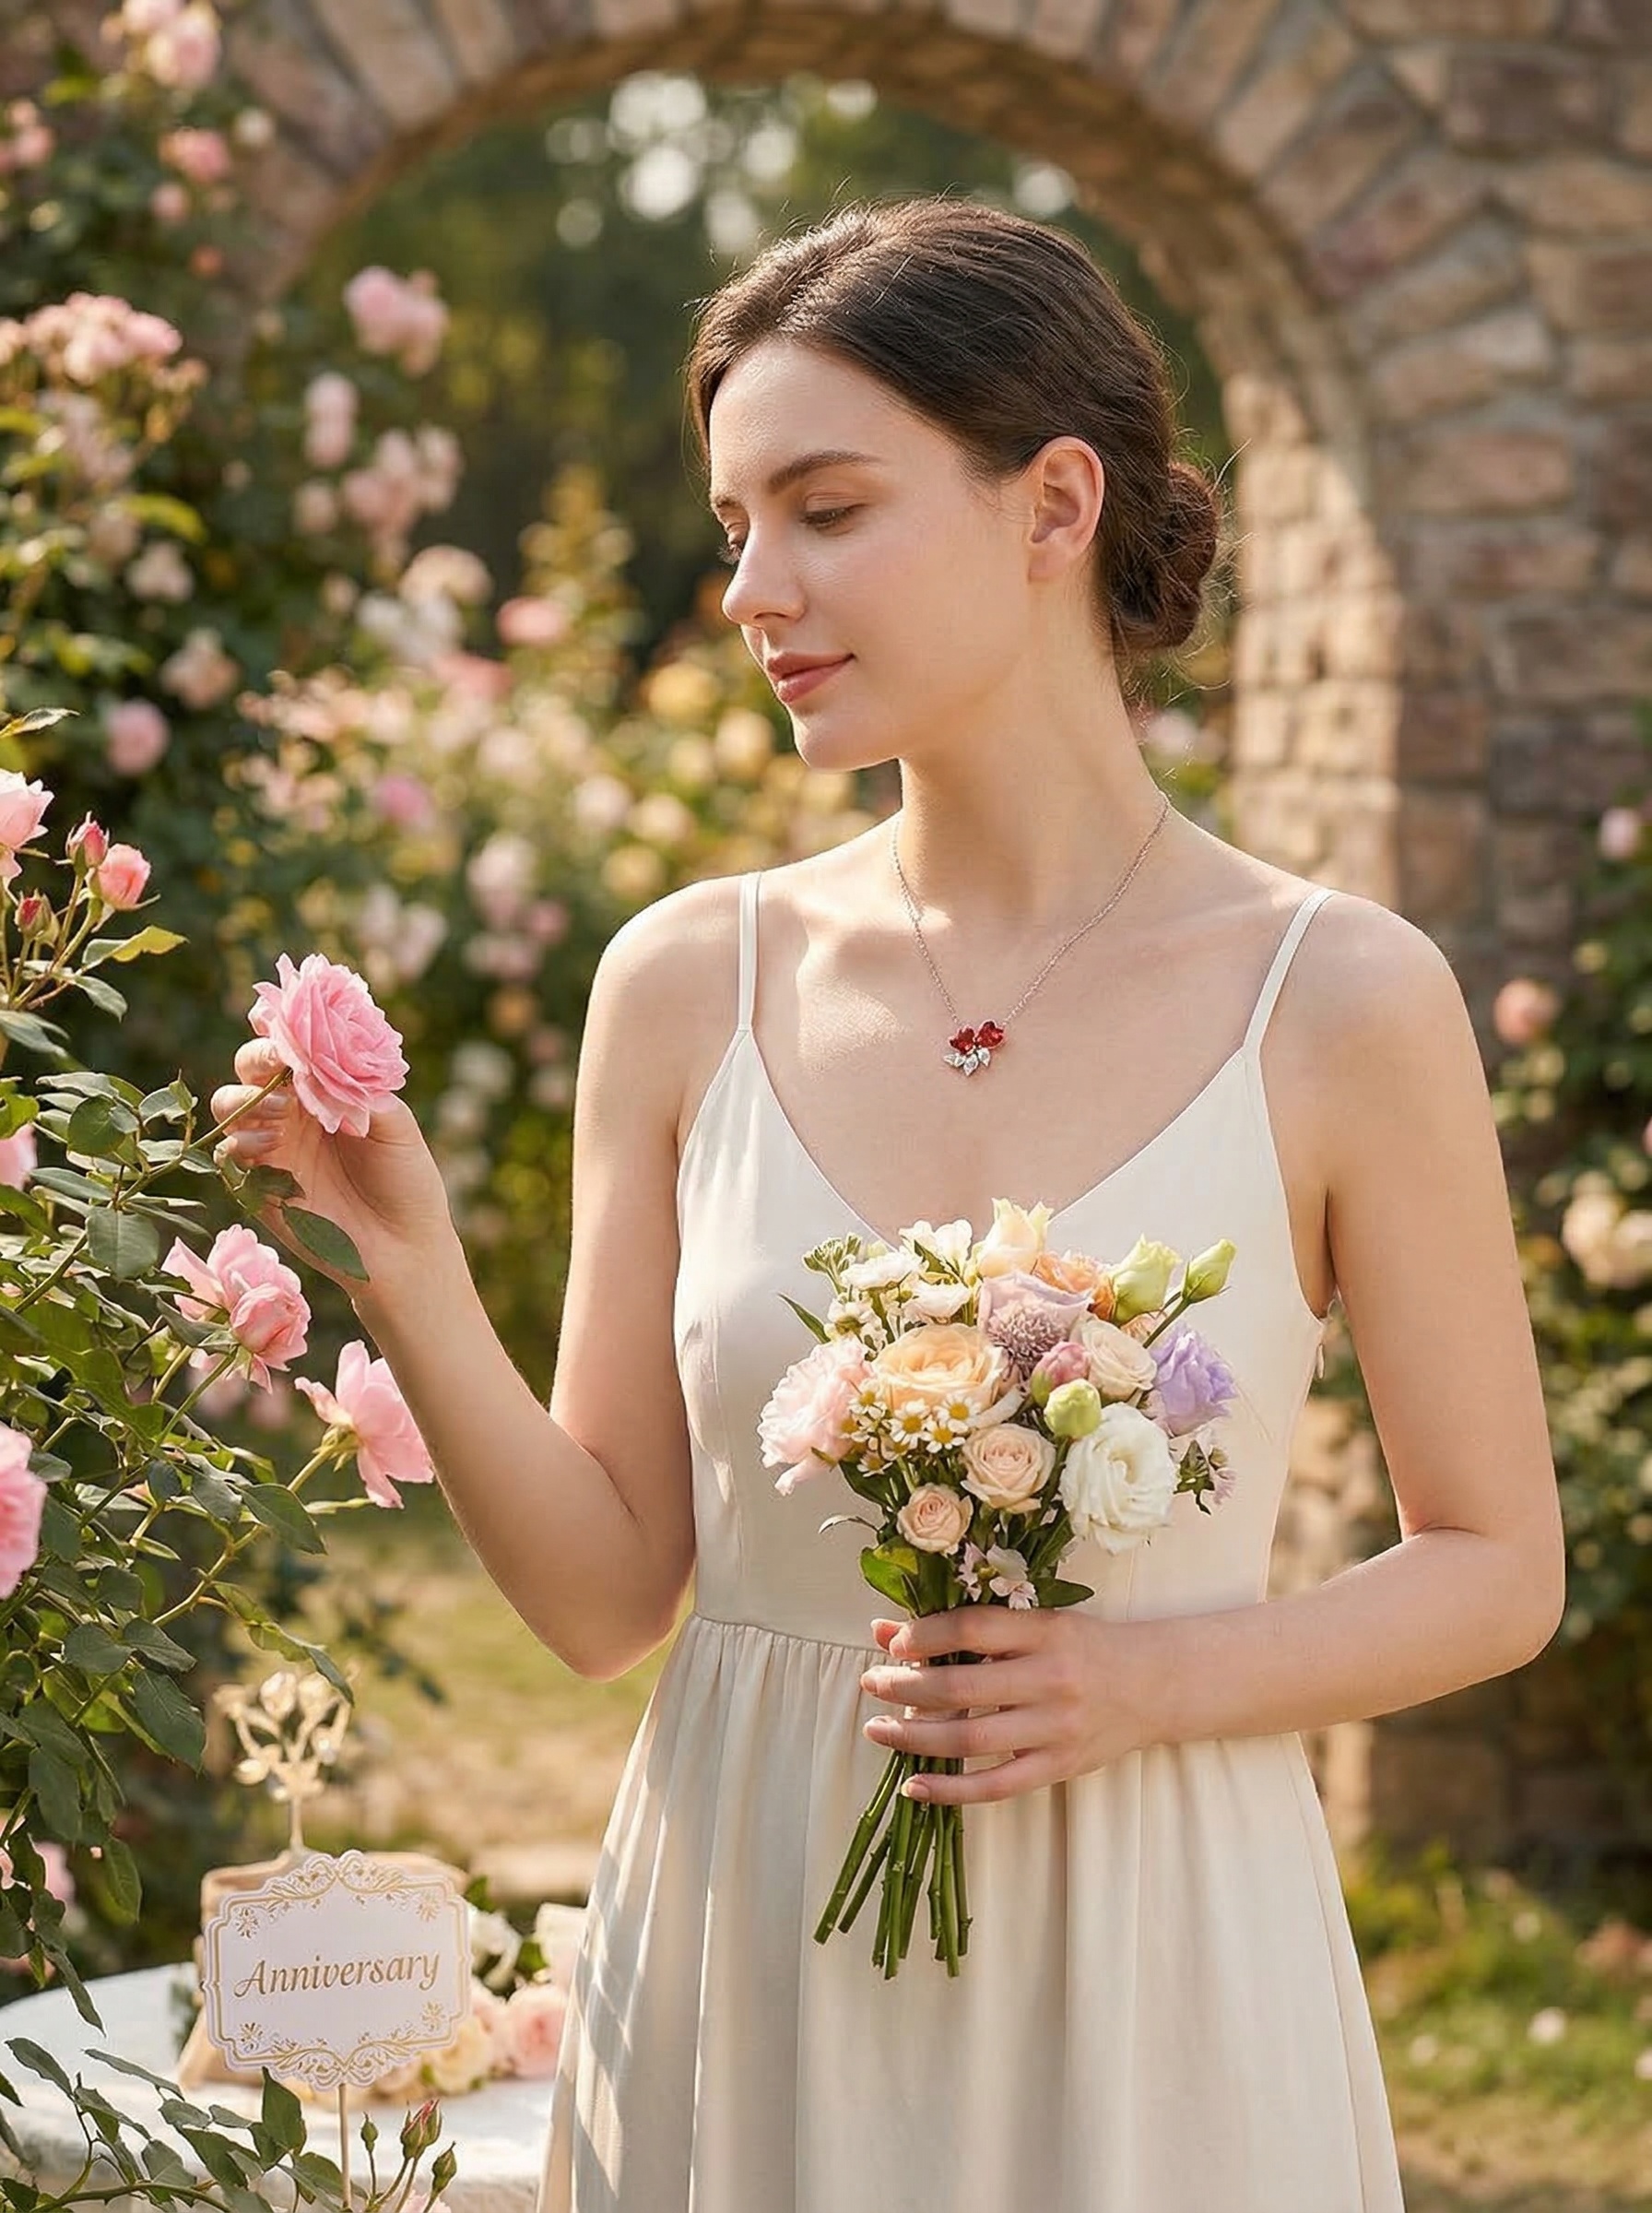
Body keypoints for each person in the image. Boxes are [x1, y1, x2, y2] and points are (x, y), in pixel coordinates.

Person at [213, 196, 1565, 2212]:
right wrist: (406, 1273)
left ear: (1050, 505)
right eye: (733, 520)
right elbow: (603, 1600)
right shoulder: (685, 982)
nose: (751, 587)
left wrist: (1145, 1681)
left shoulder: (1336, 998)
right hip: (745, 1946)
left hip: (1154, 1964)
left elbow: (1491, 1564)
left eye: (824, 509)